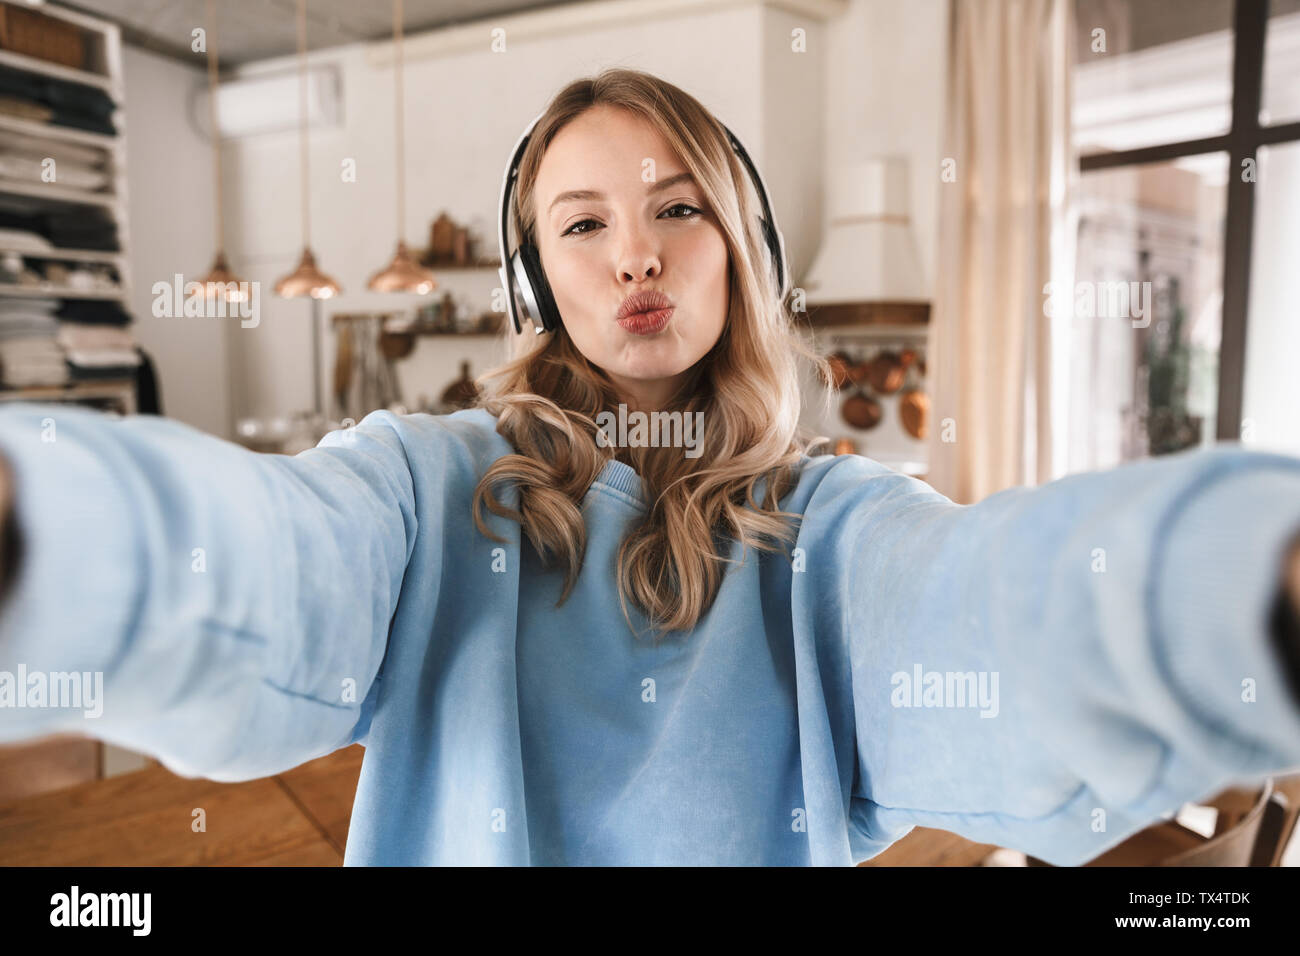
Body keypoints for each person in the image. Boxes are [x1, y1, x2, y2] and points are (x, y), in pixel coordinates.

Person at [2, 68, 1300, 867]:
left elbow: (987, 609)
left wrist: (1230, 593)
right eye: (584, 225)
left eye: (678, 208)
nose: (636, 255)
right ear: (538, 281)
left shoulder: (831, 529)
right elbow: (265, 559)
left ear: (740, 250)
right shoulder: (423, 483)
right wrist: (51, 530)